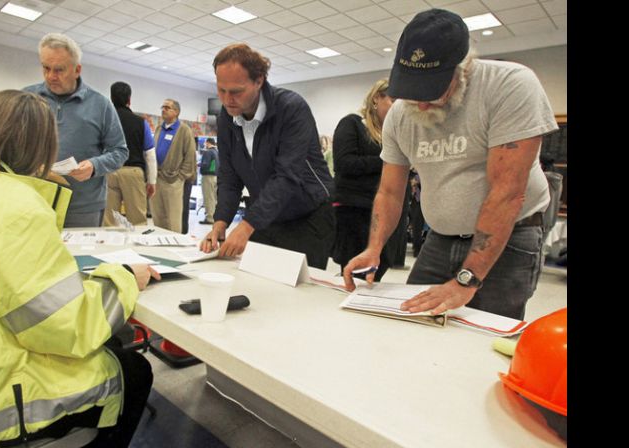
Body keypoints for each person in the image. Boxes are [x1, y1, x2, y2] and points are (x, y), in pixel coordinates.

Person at [0, 90, 160, 448]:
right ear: (41, 146)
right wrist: (122, 277)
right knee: (133, 370)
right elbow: (64, 327)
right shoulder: (13, 204)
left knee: (111, 346)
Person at [343, 8, 558, 320]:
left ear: (463, 67)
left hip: (511, 235)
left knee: (479, 335)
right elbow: (390, 192)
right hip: (441, 238)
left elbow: (507, 192)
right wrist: (374, 248)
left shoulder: (509, 85)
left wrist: (466, 280)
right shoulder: (401, 115)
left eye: (432, 90)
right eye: (413, 90)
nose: (422, 103)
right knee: (414, 320)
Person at [200, 43, 335, 269]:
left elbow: (287, 176)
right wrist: (220, 221)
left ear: (259, 81)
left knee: (297, 295)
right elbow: (229, 175)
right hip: (267, 214)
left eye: (236, 91)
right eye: (221, 90)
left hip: (307, 216)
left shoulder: (291, 108)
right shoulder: (227, 116)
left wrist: (246, 225)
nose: (227, 99)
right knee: (256, 285)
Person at [24, 33, 128, 228]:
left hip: (83, 207)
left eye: (59, 70)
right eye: (45, 68)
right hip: (33, 200)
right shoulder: (26, 98)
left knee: (81, 258)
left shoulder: (101, 104)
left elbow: (120, 151)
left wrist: (94, 166)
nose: (50, 76)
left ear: (77, 70)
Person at [331, 78, 395, 280]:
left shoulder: (390, 133)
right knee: (357, 272)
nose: (397, 108)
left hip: (383, 210)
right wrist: (387, 161)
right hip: (354, 210)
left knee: (380, 266)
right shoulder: (352, 123)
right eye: (393, 100)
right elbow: (344, 163)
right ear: (377, 98)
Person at [104, 81, 158, 226]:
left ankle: (110, 247)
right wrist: (152, 181)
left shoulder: (105, 120)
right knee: (138, 219)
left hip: (109, 171)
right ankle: (138, 247)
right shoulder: (141, 122)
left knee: (109, 219)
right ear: (129, 100)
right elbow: (150, 154)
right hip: (133, 172)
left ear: (111, 98)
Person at [152, 98, 197, 233]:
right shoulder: (159, 128)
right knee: (158, 217)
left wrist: (180, 177)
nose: (163, 110)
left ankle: (174, 246)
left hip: (173, 180)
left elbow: (190, 156)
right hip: (157, 179)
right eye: (162, 107)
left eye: (167, 107)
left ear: (176, 112)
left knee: (173, 219)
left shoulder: (184, 130)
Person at [198, 137, 219, 225]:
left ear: (207, 143)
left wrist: (199, 164)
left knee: (208, 197)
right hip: (216, 177)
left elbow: (205, 164)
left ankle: (209, 218)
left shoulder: (208, 152)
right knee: (213, 198)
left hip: (208, 177)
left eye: (205, 143)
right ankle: (214, 216)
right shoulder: (217, 152)